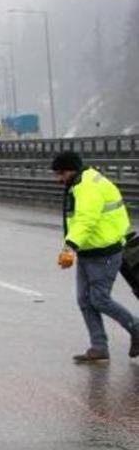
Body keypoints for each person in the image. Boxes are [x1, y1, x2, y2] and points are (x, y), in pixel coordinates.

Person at [52, 151, 139, 363]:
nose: (58, 178)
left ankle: (136, 327)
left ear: (71, 169)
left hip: (105, 251)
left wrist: (70, 246)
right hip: (89, 250)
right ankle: (99, 347)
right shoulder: (79, 181)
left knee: (99, 298)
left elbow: (86, 220)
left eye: (61, 173)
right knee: (84, 299)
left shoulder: (88, 186)